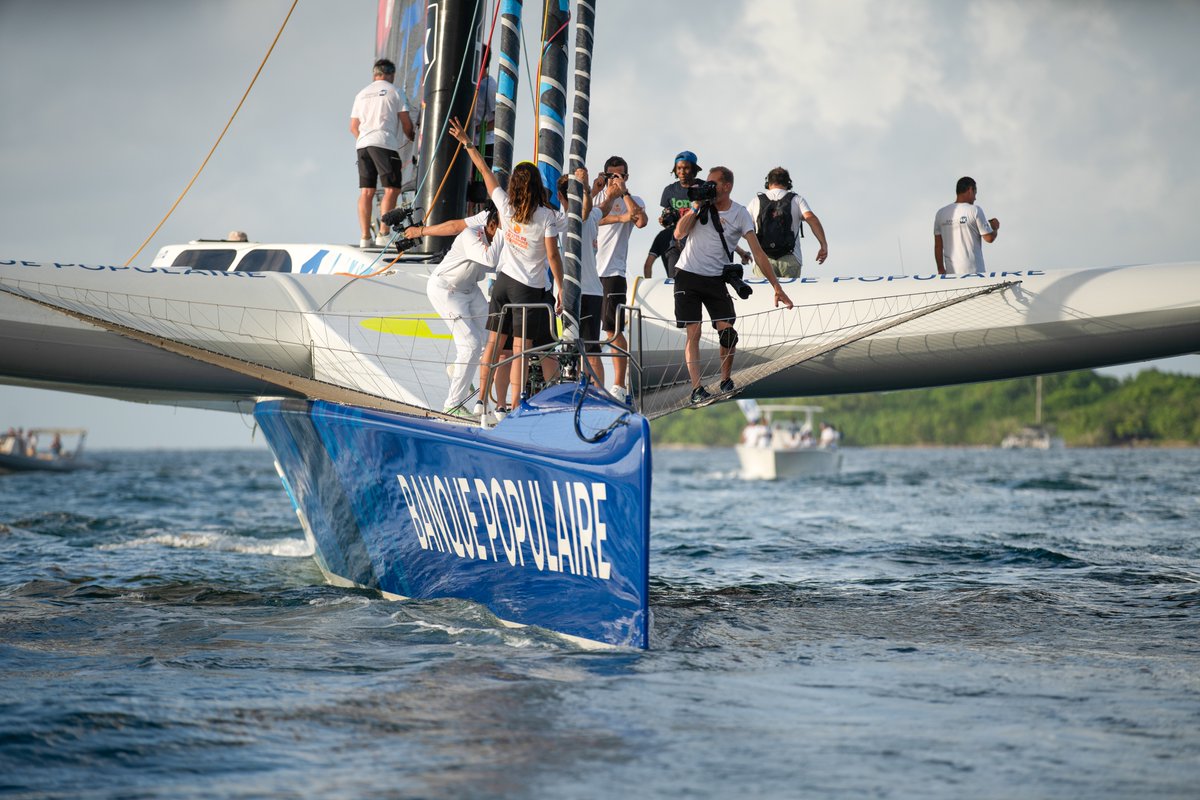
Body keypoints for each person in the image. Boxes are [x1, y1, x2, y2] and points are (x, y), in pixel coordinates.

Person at [448, 117, 563, 416]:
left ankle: (481, 402)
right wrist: (561, 286)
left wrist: (468, 143)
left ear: (514, 185)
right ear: (539, 186)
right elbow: (552, 258)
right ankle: (513, 408)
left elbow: (486, 173)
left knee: (493, 347)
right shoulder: (546, 217)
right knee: (520, 352)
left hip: (502, 284)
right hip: (527, 289)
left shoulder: (506, 207)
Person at [673, 166, 793, 405]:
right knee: (693, 331)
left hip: (715, 278)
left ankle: (725, 380)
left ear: (727, 186)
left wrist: (777, 287)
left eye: (713, 183)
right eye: (707, 183)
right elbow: (678, 233)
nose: (708, 187)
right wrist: (696, 209)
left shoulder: (740, 213)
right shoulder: (701, 206)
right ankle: (697, 388)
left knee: (728, 332)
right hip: (688, 274)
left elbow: (757, 253)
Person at [426, 203, 503, 416]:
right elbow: (490, 259)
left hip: (470, 289)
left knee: (493, 340)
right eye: (504, 227)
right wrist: (505, 235)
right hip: (447, 290)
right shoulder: (471, 234)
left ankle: (457, 370)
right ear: (492, 224)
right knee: (470, 345)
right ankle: (452, 405)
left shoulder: (498, 239)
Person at [591, 157, 647, 400]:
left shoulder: (632, 201)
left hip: (613, 272)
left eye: (620, 175)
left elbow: (641, 220)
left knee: (612, 330)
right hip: (590, 272)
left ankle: (619, 385)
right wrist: (602, 191)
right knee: (589, 334)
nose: (615, 179)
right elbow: (590, 218)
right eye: (611, 175)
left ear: (626, 176)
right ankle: (594, 387)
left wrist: (623, 193)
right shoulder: (596, 199)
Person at [351, 58, 415, 249]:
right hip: (384, 143)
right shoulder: (395, 91)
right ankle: (383, 233)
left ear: (374, 74)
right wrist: (412, 137)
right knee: (392, 188)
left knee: (367, 191)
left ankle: (364, 238)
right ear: (391, 74)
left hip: (362, 144)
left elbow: (353, 127)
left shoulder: (361, 94)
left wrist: (365, 139)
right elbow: (406, 123)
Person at [556, 169, 607, 385]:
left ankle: (596, 396)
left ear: (559, 196)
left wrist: (590, 188)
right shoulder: (561, 220)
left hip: (588, 292)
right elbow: (597, 209)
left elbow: (586, 212)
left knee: (590, 350)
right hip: (571, 293)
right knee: (570, 350)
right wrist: (596, 189)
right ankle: (575, 393)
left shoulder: (576, 217)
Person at [745, 167, 828, 279]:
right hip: (791, 258)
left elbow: (743, 227)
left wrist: (754, 245)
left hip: (763, 258)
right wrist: (823, 244)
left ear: (767, 183)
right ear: (788, 183)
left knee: (766, 295)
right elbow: (811, 218)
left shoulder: (756, 201)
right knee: (789, 295)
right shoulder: (797, 199)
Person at [934, 176, 999, 274]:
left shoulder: (941, 213)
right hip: (975, 273)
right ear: (970, 190)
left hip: (951, 274)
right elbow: (989, 238)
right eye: (975, 193)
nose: (975, 198)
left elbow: (938, 245)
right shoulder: (975, 210)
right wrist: (994, 228)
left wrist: (940, 269)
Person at [644, 207, 681, 279]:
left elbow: (647, 266)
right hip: (692, 280)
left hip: (673, 284)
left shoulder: (661, 236)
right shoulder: (686, 232)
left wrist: (648, 283)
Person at [660, 150, 701, 214]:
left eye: (686, 168)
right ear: (675, 170)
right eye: (679, 168)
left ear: (693, 169)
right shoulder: (669, 190)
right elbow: (666, 214)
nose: (682, 172)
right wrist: (664, 220)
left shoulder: (704, 187)